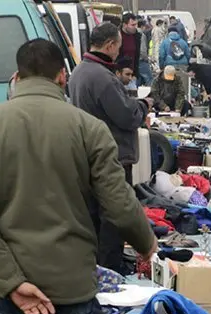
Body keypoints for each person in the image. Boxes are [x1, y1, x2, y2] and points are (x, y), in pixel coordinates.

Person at [0, 39, 155, 314]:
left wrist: (11, 281)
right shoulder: (90, 129)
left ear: (16, 77)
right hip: (71, 284)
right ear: (63, 76)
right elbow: (120, 205)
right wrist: (146, 243)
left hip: (10, 287)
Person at [69, 22, 151, 274]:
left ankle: (96, 270)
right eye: (117, 46)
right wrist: (144, 105)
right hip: (111, 156)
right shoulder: (103, 77)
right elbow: (126, 116)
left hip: (87, 154)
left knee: (94, 217)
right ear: (110, 45)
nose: (119, 52)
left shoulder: (79, 72)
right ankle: (110, 273)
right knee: (114, 219)